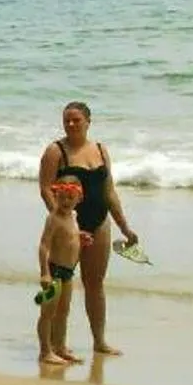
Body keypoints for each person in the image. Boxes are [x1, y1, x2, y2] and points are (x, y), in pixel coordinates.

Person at [38, 101, 140, 357]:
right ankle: (54, 346)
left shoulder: (101, 150)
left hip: (99, 223)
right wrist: (63, 222)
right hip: (66, 229)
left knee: (95, 284)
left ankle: (99, 341)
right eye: (67, 120)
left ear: (88, 122)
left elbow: (109, 191)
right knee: (61, 292)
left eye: (76, 120)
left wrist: (125, 228)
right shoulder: (55, 151)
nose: (71, 124)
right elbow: (45, 188)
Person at [34, 177, 87, 367]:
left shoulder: (72, 216)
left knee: (63, 312)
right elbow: (44, 246)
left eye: (70, 198)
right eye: (61, 197)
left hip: (68, 272)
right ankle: (45, 351)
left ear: (79, 198)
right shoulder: (53, 219)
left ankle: (60, 347)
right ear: (55, 196)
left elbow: (69, 235)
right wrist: (44, 273)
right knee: (48, 312)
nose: (65, 202)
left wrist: (80, 238)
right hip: (55, 271)